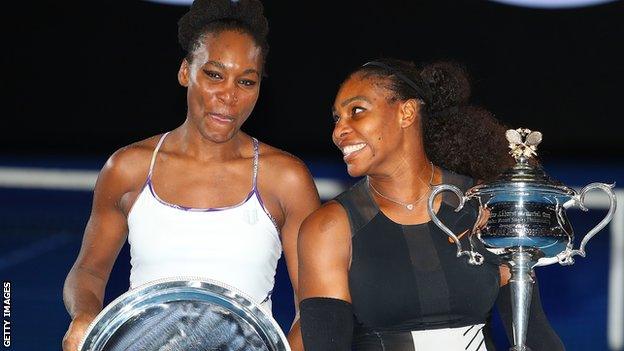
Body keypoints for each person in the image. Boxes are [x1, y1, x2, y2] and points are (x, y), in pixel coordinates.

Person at [62, 1, 319, 350]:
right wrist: (84, 318)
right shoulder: (128, 169)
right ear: (186, 72)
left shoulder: (286, 179)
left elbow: (316, 302)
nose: (229, 95)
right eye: (214, 74)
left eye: (246, 81)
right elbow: (89, 272)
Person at [297, 59, 564, 350]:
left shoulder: (482, 205)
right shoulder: (328, 229)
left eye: (356, 111)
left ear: (407, 112)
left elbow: (535, 334)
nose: (339, 131)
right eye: (337, 118)